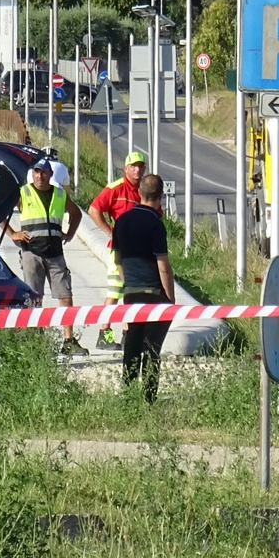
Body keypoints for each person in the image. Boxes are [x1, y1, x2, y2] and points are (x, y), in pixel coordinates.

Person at [1, 157, 87, 355]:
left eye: (44, 172)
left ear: (50, 174)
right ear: (33, 173)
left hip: (55, 253)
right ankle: (35, 341)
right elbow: (0, 213)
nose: (40, 176)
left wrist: (69, 234)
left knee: (65, 295)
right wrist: (13, 234)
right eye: (37, 172)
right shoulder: (23, 192)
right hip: (32, 252)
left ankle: (68, 341)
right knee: (34, 297)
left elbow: (76, 214)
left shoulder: (59, 194)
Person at [111, 173, 175, 402]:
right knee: (151, 347)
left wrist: (127, 282)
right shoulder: (155, 225)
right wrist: (170, 299)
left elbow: (117, 258)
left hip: (131, 294)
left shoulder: (122, 221)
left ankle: (127, 394)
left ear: (139, 193)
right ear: (160, 196)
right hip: (154, 295)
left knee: (132, 344)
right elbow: (163, 266)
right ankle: (148, 398)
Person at [87, 151, 148, 350]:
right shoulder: (116, 188)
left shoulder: (144, 190)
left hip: (139, 250)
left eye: (140, 166)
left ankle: (126, 334)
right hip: (120, 250)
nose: (137, 169)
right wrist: (109, 232)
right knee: (114, 291)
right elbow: (94, 209)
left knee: (132, 292)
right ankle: (105, 334)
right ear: (126, 168)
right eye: (134, 166)